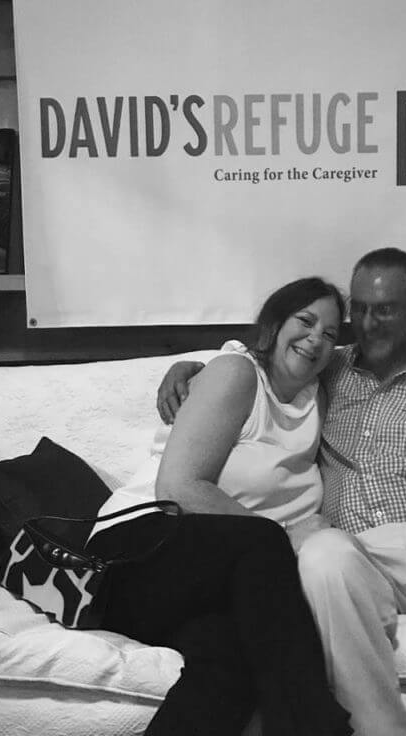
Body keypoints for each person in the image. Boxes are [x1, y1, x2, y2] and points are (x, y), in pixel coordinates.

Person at [158, 248, 406, 736]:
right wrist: (192, 369)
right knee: (320, 556)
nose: (368, 325)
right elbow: (262, 366)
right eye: (361, 310)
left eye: (385, 310)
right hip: (358, 549)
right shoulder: (327, 367)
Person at [87, 276, 352, 736]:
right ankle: (319, 725)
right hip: (132, 553)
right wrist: (285, 536)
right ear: (274, 324)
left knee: (233, 657)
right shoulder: (238, 372)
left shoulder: (319, 395)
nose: (315, 339)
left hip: (205, 584)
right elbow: (179, 487)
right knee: (263, 541)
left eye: (329, 334)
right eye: (305, 321)